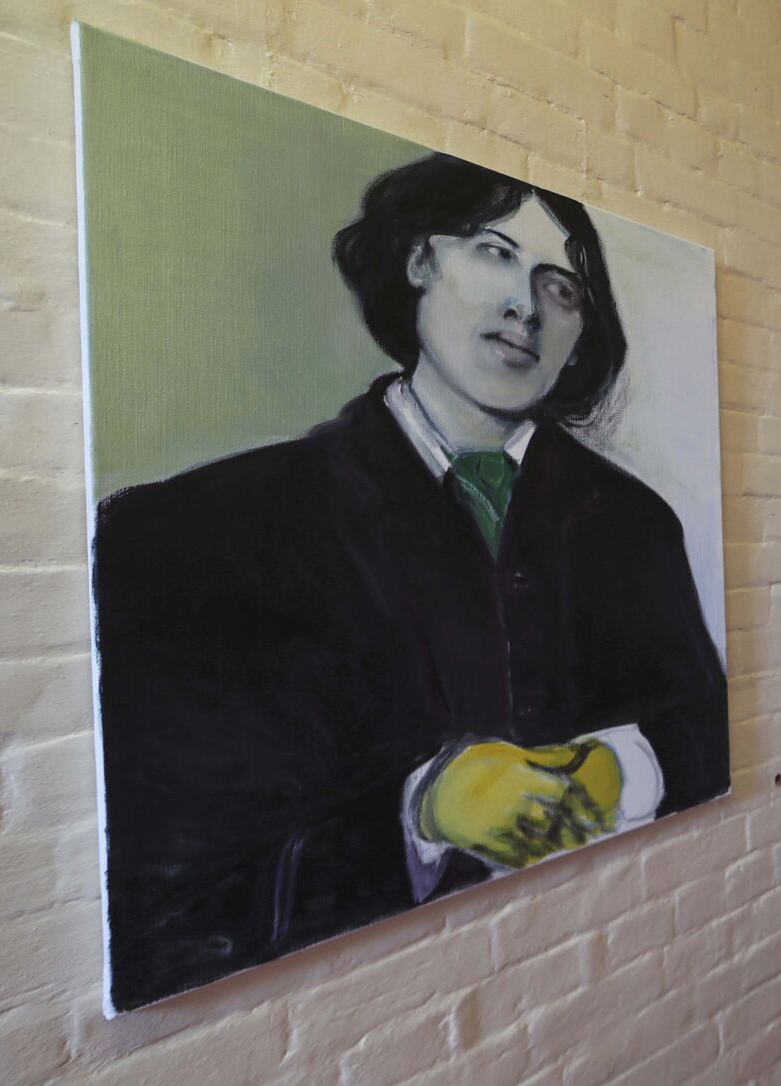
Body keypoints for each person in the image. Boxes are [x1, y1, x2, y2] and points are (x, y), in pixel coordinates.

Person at [93, 153, 728, 1012]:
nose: (526, 307)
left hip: (605, 970)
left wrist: (625, 769)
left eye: (563, 288)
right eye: (496, 253)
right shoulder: (203, 536)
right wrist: (422, 812)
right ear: (420, 259)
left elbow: (707, 732)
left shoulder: (636, 527)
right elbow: (165, 916)